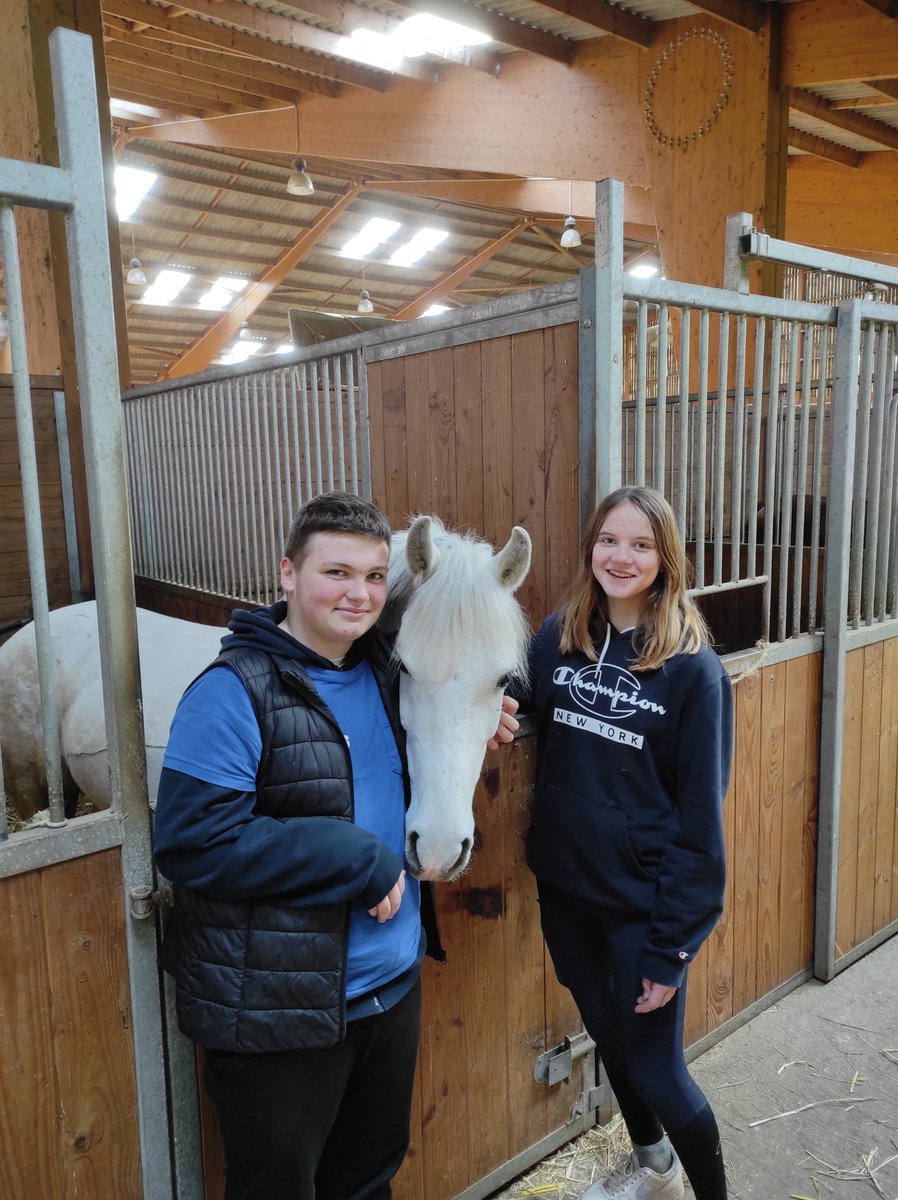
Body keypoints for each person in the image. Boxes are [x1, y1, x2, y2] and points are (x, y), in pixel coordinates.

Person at [153, 491, 517, 1200]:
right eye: (337, 573)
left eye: (375, 577)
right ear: (288, 574)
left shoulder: (387, 673)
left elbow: (449, 689)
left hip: (389, 992)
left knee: (367, 1182)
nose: (359, 593)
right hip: (277, 1012)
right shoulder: (233, 692)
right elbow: (192, 842)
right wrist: (356, 857)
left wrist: (484, 710)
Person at [520, 486, 733, 1200]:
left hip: (642, 906)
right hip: (566, 889)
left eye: (641, 544)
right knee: (608, 1038)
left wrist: (674, 946)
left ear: (666, 558)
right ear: (591, 547)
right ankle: (654, 1170)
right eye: (610, 539)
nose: (621, 556)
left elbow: (702, 822)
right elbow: (513, 699)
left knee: (658, 1073)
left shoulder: (694, 671)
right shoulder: (557, 638)